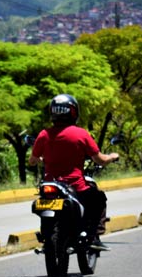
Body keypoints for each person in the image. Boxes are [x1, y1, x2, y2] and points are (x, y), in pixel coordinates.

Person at [28, 94, 119, 250]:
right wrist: (112, 156)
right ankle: (94, 236)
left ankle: (48, 236)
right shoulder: (81, 134)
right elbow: (101, 160)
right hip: (75, 186)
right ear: (73, 112)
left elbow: (32, 161)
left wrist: (44, 159)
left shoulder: (44, 135)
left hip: (50, 185)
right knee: (99, 199)